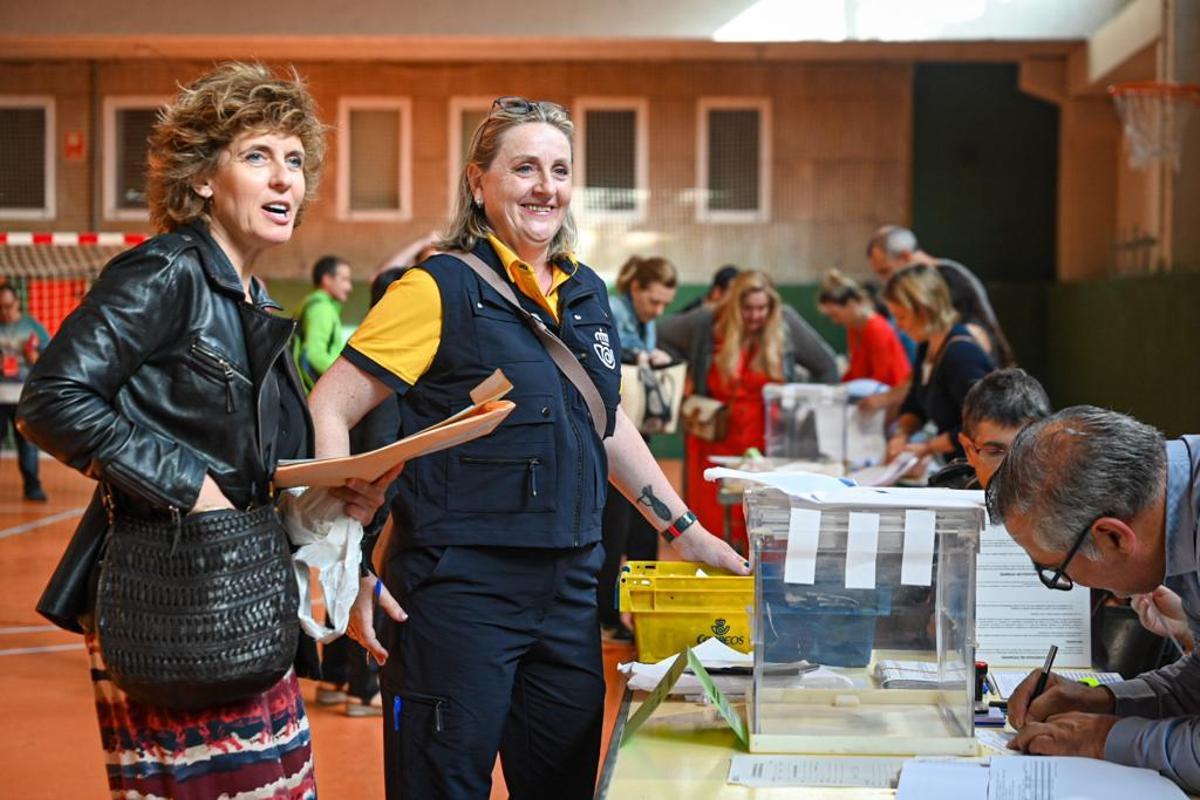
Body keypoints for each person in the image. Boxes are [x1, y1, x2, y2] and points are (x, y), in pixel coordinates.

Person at [306, 95, 748, 799]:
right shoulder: (437, 287)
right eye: (523, 168)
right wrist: (341, 555)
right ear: (478, 182)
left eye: (559, 169)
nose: (546, 186)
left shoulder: (586, 293)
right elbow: (331, 403)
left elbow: (603, 425)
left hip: (569, 589)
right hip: (457, 592)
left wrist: (684, 530)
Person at [16, 62, 394, 798]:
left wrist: (333, 505)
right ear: (202, 180)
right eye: (257, 157)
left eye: (294, 162)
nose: (285, 179)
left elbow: (258, 460)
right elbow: (53, 397)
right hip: (172, 594)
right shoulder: (165, 270)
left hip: (244, 596)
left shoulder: (251, 296)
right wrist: (190, 488)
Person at [987, 407, 1200, 793]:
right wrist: (1103, 701)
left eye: (1055, 569)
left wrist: (1104, 739)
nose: (1068, 582)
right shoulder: (1180, 505)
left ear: (1113, 537)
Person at [658, 270, 839, 551]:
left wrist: (801, 408)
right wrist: (685, 371)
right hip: (714, 440)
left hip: (769, 443)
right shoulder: (708, 321)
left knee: (766, 528)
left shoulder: (785, 323)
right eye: (747, 308)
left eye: (762, 308)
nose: (755, 316)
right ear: (733, 306)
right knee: (714, 528)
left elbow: (827, 366)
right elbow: (659, 332)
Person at [599, 255, 679, 642]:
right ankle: (607, 617)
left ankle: (644, 616)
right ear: (636, 289)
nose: (658, 310)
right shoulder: (613, 308)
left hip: (637, 431)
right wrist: (640, 355)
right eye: (654, 302)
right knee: (612, 532)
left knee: (644, 532)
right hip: (611, 433)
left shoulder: (646, 322)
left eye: (665, 304)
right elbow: (608, 356)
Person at [882, 264, 995, 465]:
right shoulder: (927, 346)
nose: (898, 326)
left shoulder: (960, 354)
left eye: (902, 316)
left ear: (924, 308)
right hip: (955, 465)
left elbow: (983, 423)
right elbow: (915, 403)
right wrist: (902, 434)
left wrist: (928, 448)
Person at [866, 224, 1014, 367]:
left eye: (885, 271)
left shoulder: (949, 277)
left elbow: (970, 336)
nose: (885, 281)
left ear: (905, 256)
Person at [927, 367, 1050, 490]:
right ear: (969, 450)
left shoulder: (1066, 500)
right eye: (995, 452)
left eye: (1025, 451)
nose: (1011, 470)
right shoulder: (941, 500)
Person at [816, 269, 911, 388]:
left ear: (851, 304)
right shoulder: (853, 329)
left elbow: (882, 377)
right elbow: (856, 371)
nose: (834, 321)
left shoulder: (877, 329)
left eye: (835, 315)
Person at [0, 284, 51, 501]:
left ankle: (32, 487)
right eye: (0, 307)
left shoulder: (32, 326)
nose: (5, 311)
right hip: (0, 396)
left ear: (17, 303)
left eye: (8, 306)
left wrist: (34, 359)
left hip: (24, 395)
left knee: (28, 444)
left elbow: (50, 358)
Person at [293, 254, 352, 391]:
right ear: (327, 280)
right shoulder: (322, 309)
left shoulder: (310, 304)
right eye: (344, 280)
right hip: (313, 392)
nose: (349, 287)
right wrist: (345, 377)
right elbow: (314, 355)